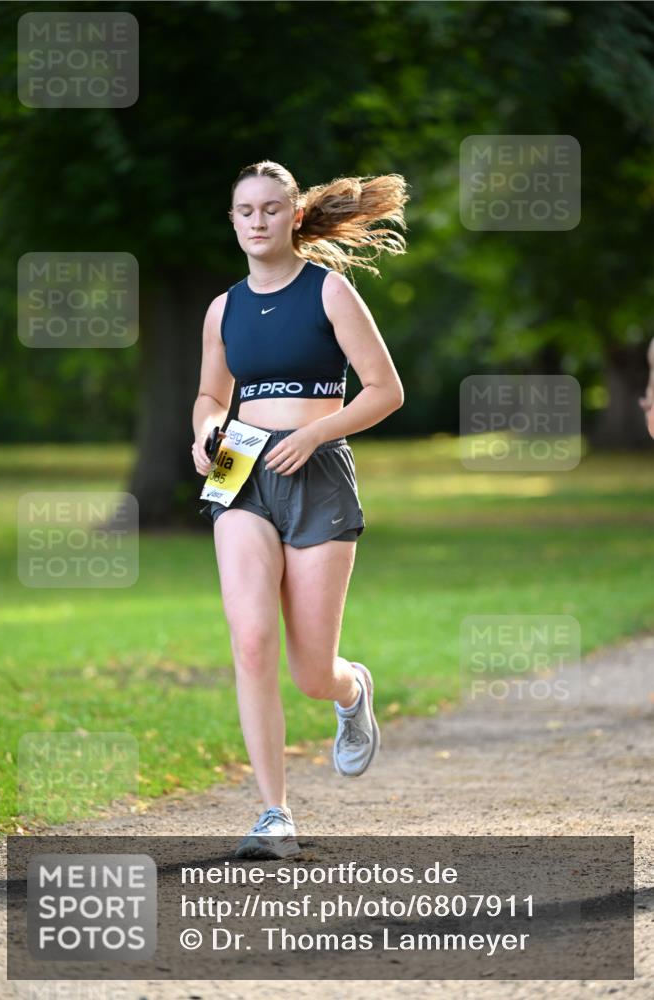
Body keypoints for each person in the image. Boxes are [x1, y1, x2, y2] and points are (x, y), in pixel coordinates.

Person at [191, 160, 408, 858]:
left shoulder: (329, 292)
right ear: (232, 222)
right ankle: (273, 814)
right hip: (240, 467)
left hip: (315, 465)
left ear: (292, 217)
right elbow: (209, 397)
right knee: (250, 640)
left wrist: (315, 432)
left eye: (269, 209)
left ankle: (349, 692)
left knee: (310, 670)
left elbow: (383, 390)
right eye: (244, 210)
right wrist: (203, 432)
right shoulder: (222, 308)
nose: (257, 221)